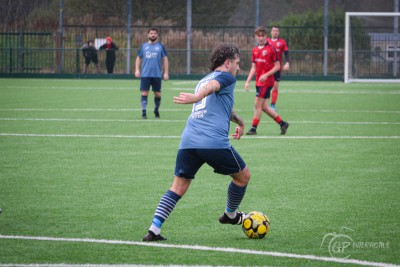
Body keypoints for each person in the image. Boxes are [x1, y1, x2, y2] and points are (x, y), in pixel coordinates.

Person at [143, 43, 249, 242]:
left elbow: (222, 106)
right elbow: (212, 89)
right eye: (237, 63)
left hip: (188, 141)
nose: (238, 67)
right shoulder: (226, 77)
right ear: (228, 63)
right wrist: (197, 97)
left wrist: (241, 122)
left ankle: (153, 229)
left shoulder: (203, 79)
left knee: (178, 187)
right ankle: (230, 215)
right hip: (212, 142)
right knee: (243, 176)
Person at [244, 26, 289, 135]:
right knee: (263, 107)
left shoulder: (271, 49)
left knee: (257, 104)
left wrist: (266, 75)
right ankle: (282, 123)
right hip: (259, 82)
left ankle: (253, 128)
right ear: (255, 37)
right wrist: (248, 81)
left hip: (267, 81)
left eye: (263, 36)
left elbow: (277, 66)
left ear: (266, 37)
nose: (261, 38)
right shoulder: (254, 50)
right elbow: (253, 67)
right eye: (258, 36)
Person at [135, 27, 169, 119]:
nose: (153, 35)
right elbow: (138, 58)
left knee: (157, 94)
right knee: (144, 93)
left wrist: (166, 73)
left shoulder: (160, 46)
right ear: (148, 35)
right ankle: (144, 112)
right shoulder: (143, 46)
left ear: (157, 35)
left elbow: (165, 59)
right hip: (145, 74)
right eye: (151, 33)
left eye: (154, 33)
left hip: (157, 75)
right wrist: (137, 70)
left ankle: (156, 110)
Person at [266, 26, 290, 110]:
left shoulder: (282, 42)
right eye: (273, 30)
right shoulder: (267, 41)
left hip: (277, 68)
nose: (275, 32)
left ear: (278, 33)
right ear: (271, 32)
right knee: (265, 86)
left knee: (275, 86)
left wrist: (287, 63)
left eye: (277, 31)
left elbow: (286, 53)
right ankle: (262, 104)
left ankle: (272, 105)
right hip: (267, 68)